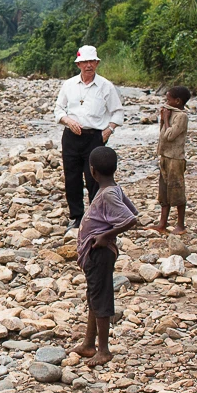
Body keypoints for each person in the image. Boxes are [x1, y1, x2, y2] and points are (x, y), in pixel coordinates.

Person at [72, 146, 138, 367]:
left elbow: (130, 219)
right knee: (94, 296)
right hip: (95, 254)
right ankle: (89, 344)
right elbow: (132, 212)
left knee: (100, 300)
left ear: (92, 171)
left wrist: (105, 235)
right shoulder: (112, 189)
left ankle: (103, 350)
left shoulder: (108, 193)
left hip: (100, 253)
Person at [54, 45, 125, 231]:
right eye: (84, 62)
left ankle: (96, 217)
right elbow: (58, 110)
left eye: (91, 61)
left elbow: (117, 113)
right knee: (72, 177)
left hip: (95, 137)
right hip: (71, 136)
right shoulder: (68, 85)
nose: (88, 65)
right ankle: (76, 217)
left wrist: (109, 130)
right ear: (78, 64)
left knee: (95, 178)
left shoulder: (106, 86)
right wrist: (68, 120)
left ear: (97, 63)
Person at [147, 86, 190, 235]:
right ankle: (162, 223)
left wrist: (165, 118)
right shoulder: (172, 113)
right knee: (163, 191)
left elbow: (169, 135)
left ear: (177, 101)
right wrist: (163, 118)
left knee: (177, 190)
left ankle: (180, 225)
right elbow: (162, 133)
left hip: (175, 159)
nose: (166, 102)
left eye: (168, 100)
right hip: (165, 157)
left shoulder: (181, 116)